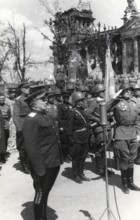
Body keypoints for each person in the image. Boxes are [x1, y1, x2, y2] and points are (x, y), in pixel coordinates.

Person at [23, 89, 63, 220]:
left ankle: (44, 217)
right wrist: (39, 169)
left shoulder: (43, 116)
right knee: (41, 193)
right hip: (43, 165)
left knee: (46, 192)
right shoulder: (31, 120)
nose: (46, 101)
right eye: (43, 100)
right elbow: (32, 147)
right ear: (34, 104)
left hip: (52, 162)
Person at [113, 83, 140, 194]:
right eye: (126, 90)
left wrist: (138, 133)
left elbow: (138, 119)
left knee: (131, 159)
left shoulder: (134, 103)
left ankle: (131, 182)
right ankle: (124, 184)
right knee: (124, 158)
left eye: (130, 90)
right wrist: (116, 96)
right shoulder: (116, 103)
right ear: (121, 92)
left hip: (133, 133)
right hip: (121, 133)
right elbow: (107, 106)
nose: (129, 92)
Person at [85, 84, 115, 176]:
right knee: (100, 150)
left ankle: (104, 168)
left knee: (104, 149)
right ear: (98, 92)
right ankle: (100, 169)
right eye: (102, 92)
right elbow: (87, 113)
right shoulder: (95, 102)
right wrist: (98, 119)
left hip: (105, 127)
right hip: (99, 128)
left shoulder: (102, 101)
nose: (104, 93)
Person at [67, 91, 90, 183]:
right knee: (76, 157)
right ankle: (76, 175)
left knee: (83, 156)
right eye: (80, 101)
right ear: (76, 102)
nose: (83, 102)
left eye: (83, 100)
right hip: (76, 138)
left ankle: (81, 174)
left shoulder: (82, 111)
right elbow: (69, 128)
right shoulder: (72, 112)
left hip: (84, 137)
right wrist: (71, 140)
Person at [13, 82, 31, 174]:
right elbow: (15, 116)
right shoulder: (18, 100)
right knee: (23, 146)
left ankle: (29, 162)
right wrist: (19, 128)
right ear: (22, 89)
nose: (29, 89)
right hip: (22, 124)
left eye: (29, 88)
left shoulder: (31, 98)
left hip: (31, 124)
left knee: (31, 144)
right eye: (27, 88)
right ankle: (24, 166)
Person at [57, 89, 71, 162]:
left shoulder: (70, 105)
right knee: (64, 142)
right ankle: (64, 156)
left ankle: (68, 155)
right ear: (63, 97)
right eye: (65, 97)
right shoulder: (60, 106)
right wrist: (61, 126)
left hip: (69, 125)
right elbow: (59, 117)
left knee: (69, 141)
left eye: (68, 97)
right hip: (64, 124)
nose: (67, 98)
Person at [0, 92, 11, 163]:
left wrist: (6, 123)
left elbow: (9, 116)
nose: (1, 100)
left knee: (5, 140)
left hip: (5, 126)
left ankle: (3, 155)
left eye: (3, 98)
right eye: (0, 99)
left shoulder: (7, 107)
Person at [131, 84, 140, 165]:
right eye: (135, 90)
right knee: (136, 140)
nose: (137, 91)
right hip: (135, 122)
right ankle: (136, 157)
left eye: (138, 89)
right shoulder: (131, 99)